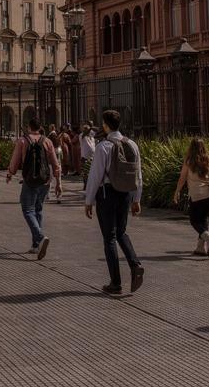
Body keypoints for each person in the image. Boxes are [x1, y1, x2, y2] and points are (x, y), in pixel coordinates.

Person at [84, 110, 145, 295]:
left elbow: (95, 176)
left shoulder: (104, 146)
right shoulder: (132, 144)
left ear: (105, 125)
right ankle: (135, 265)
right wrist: (137, 198)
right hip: (126, 193)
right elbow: (137, 173)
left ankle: (116, 282)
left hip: (107, 193)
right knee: (121, 232)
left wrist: (89, 200)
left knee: (109, 237)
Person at [6, 117, 62, 259]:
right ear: (40, 127)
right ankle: (36, 245)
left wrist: (10, 173)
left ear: (29, 127)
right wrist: (59, 183)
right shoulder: (47, 141)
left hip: (30, 180)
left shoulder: (23, 140)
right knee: (38, 209)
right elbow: (56, 164)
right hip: (45, 181)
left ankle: (40, 237)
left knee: (27, 209)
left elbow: (15, 159)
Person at [173, 137, 209, 256]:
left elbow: (182, 178)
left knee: (194, 221)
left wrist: (177, 191)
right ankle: (200, 248)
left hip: (196, 195)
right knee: (203, 220)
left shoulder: (189, 161)